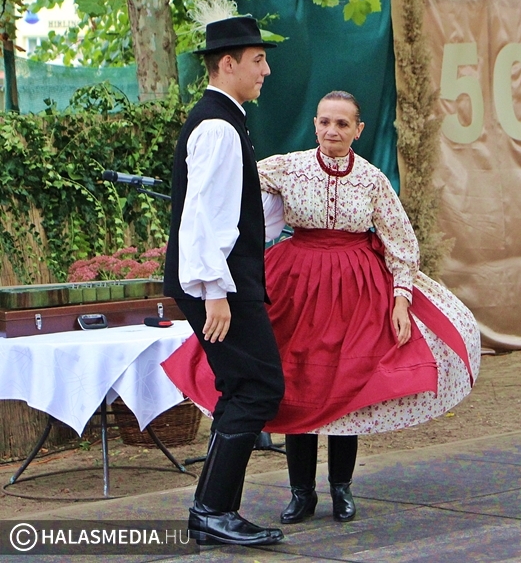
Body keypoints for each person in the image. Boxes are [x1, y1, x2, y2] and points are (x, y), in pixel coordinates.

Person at [164, 90, 481, 525]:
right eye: (325, 121)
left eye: (342, 123)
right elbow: (230, 184)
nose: (332, 130)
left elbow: (401, 241)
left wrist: (401, 298)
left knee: (346, 387)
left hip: (355, 289)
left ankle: (341, 487)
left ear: (358, 130)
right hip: (296, 285)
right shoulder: (286, 166)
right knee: (300, 383)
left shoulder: (372, 180)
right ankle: (301, 492)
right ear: (314, 124)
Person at [162, 15, 285, 547]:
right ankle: (212, 510)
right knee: (258, 386)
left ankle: (212, 511)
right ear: (228, 64)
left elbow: (233, 210)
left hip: (225, 280)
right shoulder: (217, 127)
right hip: (220, 284)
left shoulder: (226, 120)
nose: (266, 70)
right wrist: (215, 291)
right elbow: (203, 217)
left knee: (243, 386)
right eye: (258, 60)